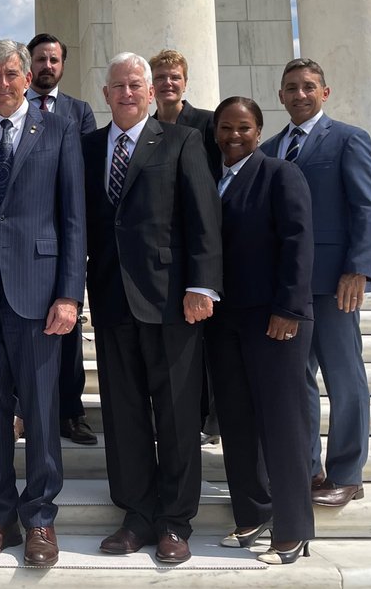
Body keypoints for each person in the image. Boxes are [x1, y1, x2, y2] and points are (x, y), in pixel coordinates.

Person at [81, 52, 221, 565]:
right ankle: (136, 514)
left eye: (135, 84)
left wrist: (202, 285)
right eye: (118, 85)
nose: (127, 92)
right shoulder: (89, 147)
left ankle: (175, 522)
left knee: (180, 415)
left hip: (172, 303)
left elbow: (203, 217)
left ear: (149, 91)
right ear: (106, 93)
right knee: (123, 414)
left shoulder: (182, 141)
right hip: (113, 301)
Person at [0, 38, 85, 569]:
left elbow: (73, 219)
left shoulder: (60, 131)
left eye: (12, 74)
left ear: (27, 77)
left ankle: (41, 519)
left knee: (41, 408)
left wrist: (70, 294)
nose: (3, 84)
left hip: (39, 293)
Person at [260, 57, 371, 510]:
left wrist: (359, 268)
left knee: (344, 376)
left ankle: (348, 473)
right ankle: (308, 468)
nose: (300, 94)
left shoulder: (349, 139)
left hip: (335, 283)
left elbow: (369, 207)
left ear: (324, 93)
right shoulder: (270, 147)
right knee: (297, 382)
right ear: (280, 96)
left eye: (309, 86)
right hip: (286, 289)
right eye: (291, 87)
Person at [206, 97, 316, 565]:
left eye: (244, 128)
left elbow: (298, 241)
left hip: (275, 320)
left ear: (259, 130)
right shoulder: (211, 178)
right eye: (227, 127)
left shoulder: (279, 173)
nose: (235, 135)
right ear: (215, 132)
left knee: (281, 425)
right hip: (225, 320)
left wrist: (289, 308)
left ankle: (292, 530)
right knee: (237, 421)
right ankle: (253, 513)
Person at [26, 32, 98, 446]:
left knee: (67, 330)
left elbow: (82, 176)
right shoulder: (12, 108)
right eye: (40, 59)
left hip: (62, 235)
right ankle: (27, 411)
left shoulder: (78, 111)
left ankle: (72, 413)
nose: (47, 66)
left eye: (54, 60)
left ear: (62, 66)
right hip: (24, 237)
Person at [150, 48, 220, 445]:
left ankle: (210, 419)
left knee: (204, 343)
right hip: (162, 252)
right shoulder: (147, 125)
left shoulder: (206, 124)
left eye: (174, 77)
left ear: (185, 81)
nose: (168, 84)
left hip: (196, 243)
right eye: (161, 77)